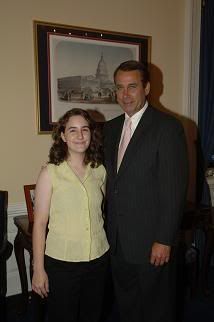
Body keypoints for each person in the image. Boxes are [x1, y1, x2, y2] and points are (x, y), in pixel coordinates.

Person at [103, 60, 188, 322]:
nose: (125, 95)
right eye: (119, 88)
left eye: (132, 87)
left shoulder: (167, 128)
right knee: (127, 306)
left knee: (157, 310)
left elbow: (174, 190)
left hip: (152, 242)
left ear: (147, 88)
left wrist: (164, 239)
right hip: (117, 240)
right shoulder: (110, 128)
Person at [32, 108, 109, 322]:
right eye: (72, 130)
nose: (80, 135)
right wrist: (38, 269)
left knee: (92, 316)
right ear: (63, 136)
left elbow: (100, 210)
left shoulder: (99, 170)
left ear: (91, 134)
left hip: (98, 259)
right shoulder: (50, 173)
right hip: (63, 264)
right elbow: (39, 224)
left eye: (85, 129)